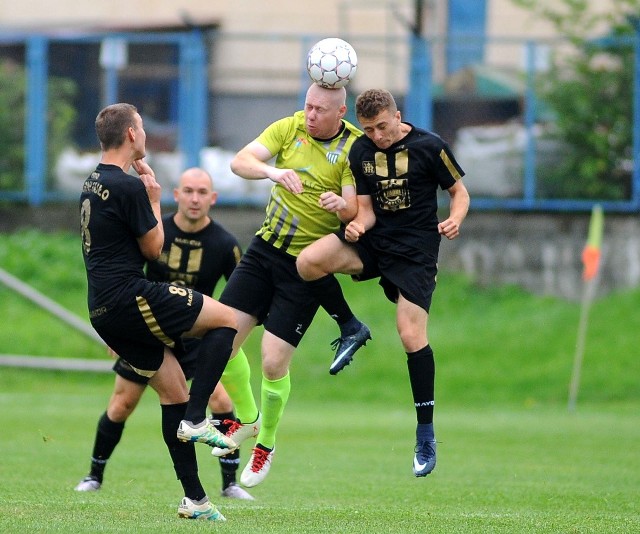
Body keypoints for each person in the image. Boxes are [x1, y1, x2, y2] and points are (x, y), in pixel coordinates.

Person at [296, 88, 470, 478]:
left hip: (415, 253)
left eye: (382, 127)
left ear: (398, 116)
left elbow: (459, 192)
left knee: (411, 335)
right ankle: (350, 326)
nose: (377, 136)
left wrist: (455, 218)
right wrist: (357, 222)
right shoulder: (361, 152)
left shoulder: (430, 146)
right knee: (308, 261)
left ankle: (425, 433)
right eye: (369, 129)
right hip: (376, 244)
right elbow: (368, 211)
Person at [79, 103, 238, 521]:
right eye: (143, 127)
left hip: (102, 307)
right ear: (132, 134)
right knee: (228, 320)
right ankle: (199, 420)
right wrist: (153, 198)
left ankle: (197, 501)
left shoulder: (93, 181)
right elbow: (154, 250)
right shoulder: (130, 187)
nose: (146, 134)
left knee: (173, 395)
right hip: (130, 296)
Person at [208, 83, 367, 488]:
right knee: (219, 340)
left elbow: (356, 206)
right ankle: (247, 419)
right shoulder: (289, 127)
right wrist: (273, 171)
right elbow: (240, 162)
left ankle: (266, 444)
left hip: (305, 267)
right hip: (264, 252)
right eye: (308, 106)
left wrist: (340, 205)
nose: (311, 114)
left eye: (320, 109)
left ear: (341, 112)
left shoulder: (353, 147)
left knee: (273, 362)